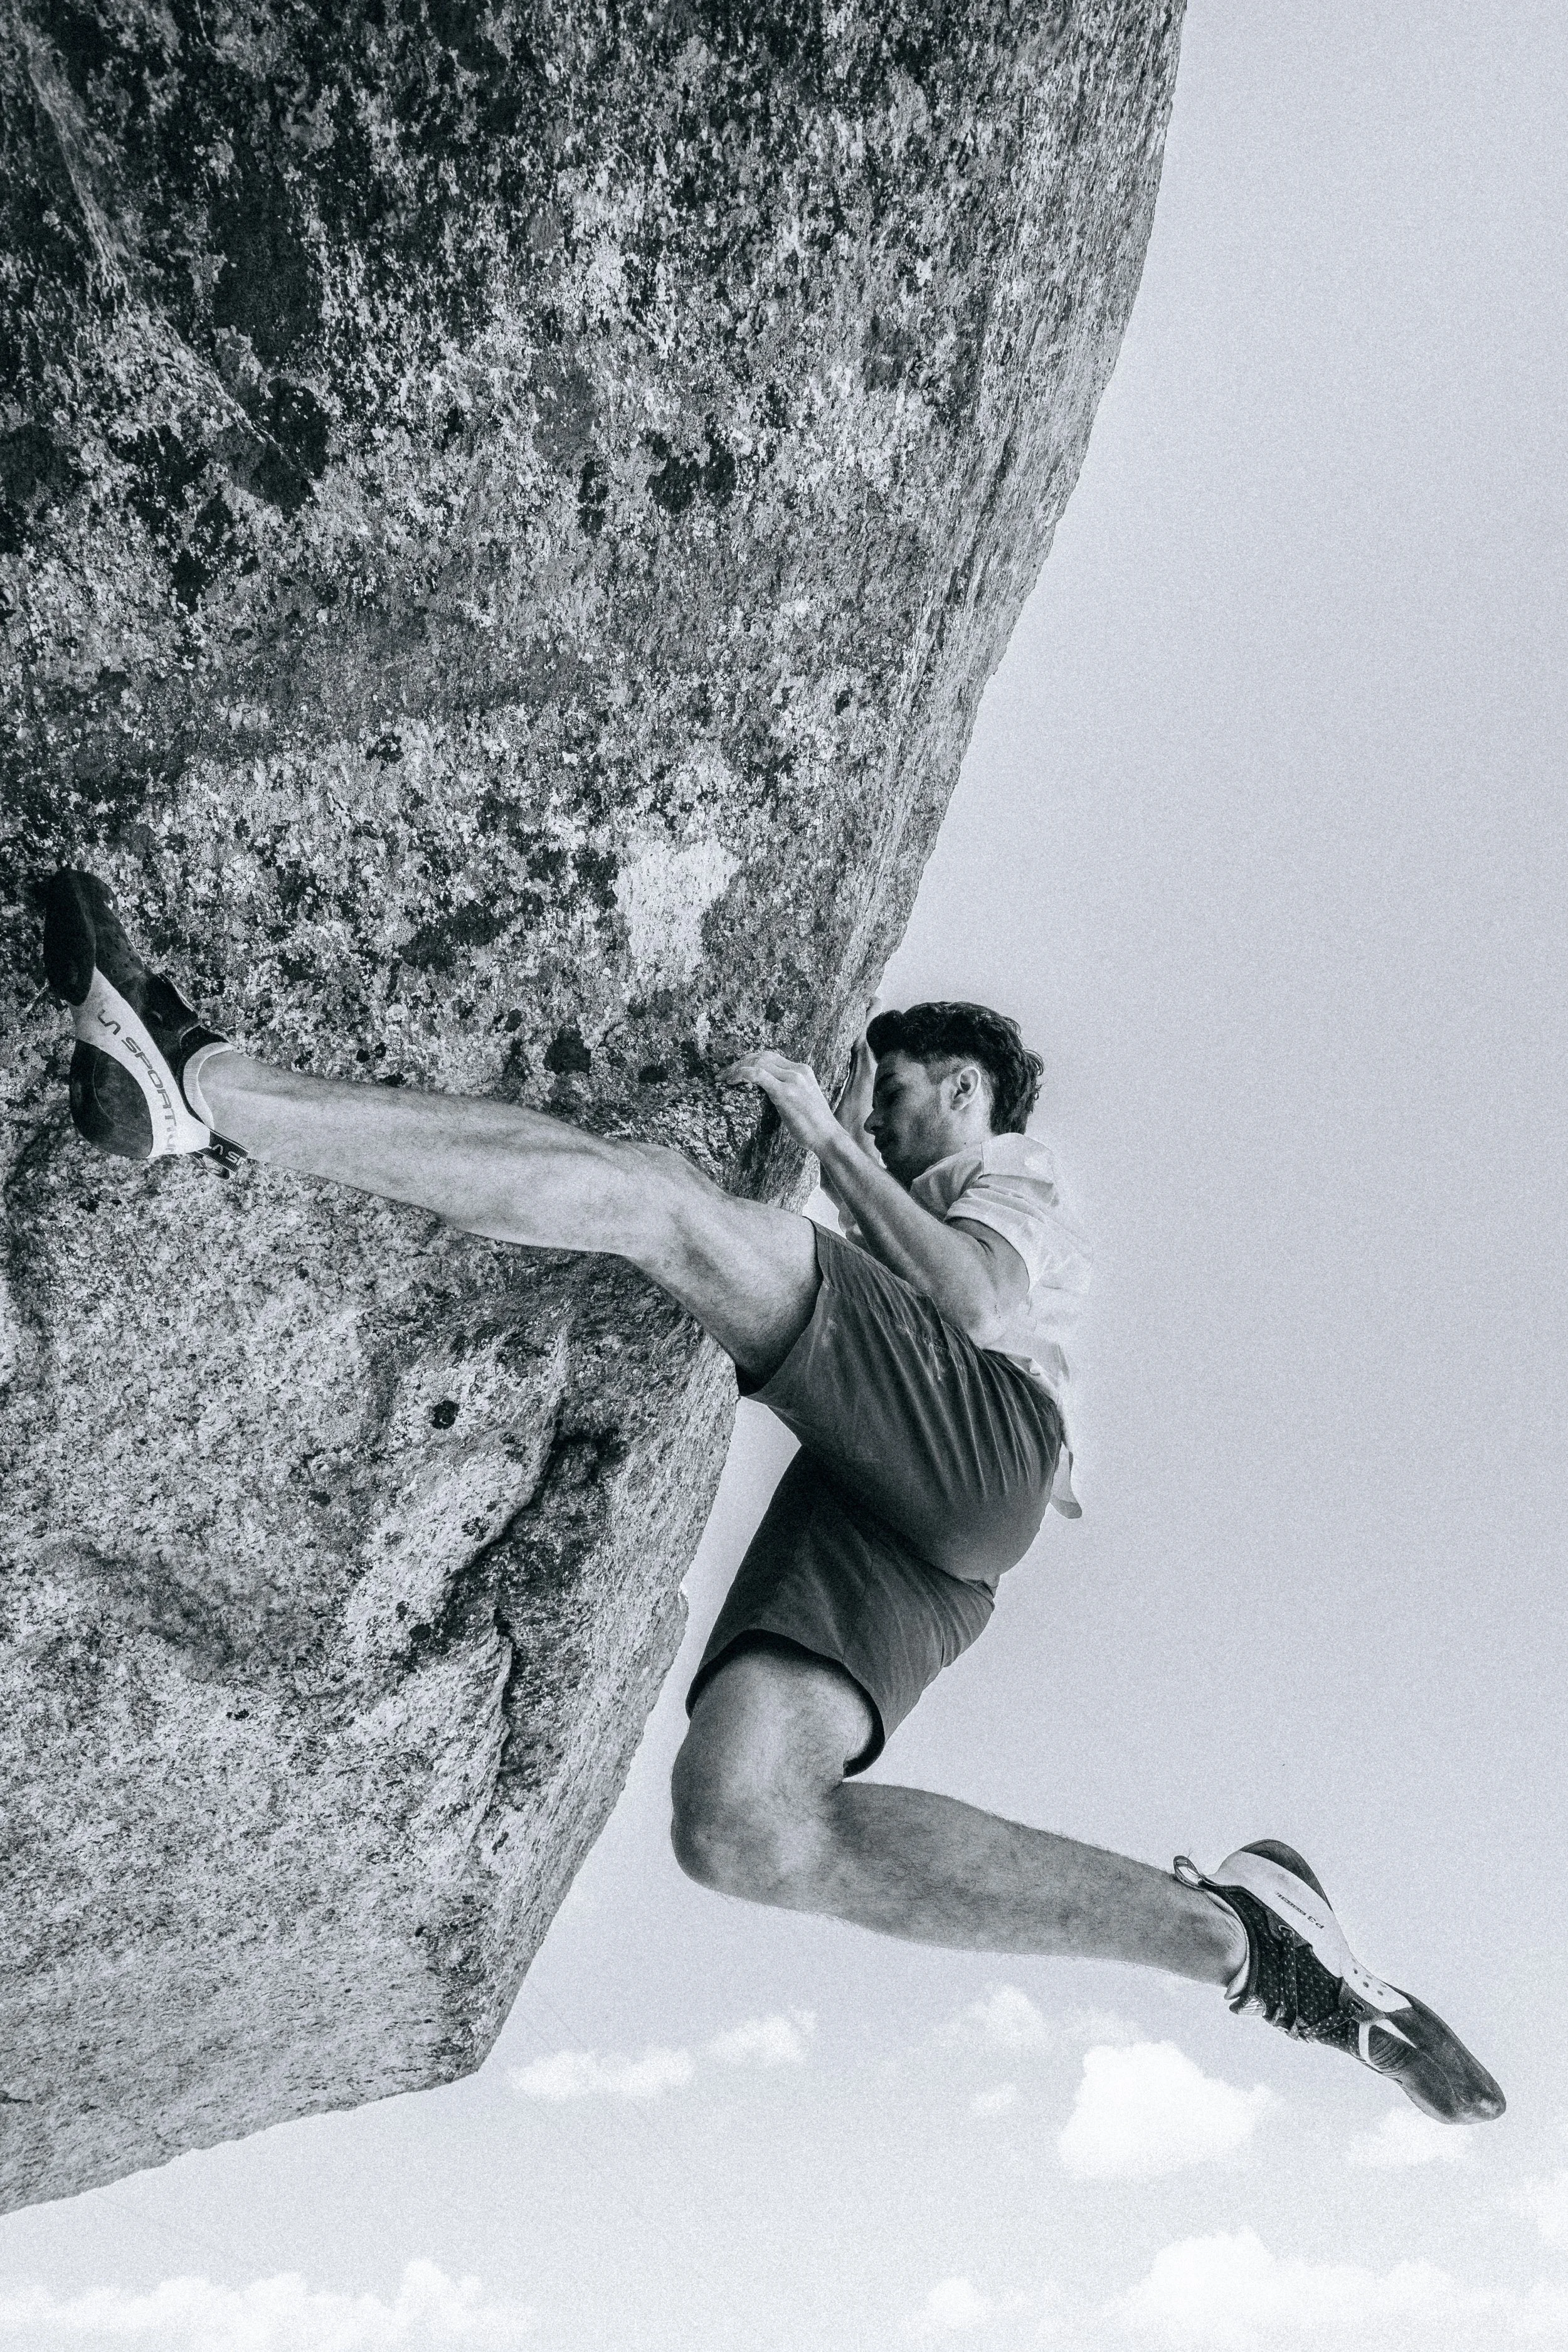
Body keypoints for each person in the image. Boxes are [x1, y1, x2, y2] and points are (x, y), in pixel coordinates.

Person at [40, 867, 1503, 2126]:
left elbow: (979, 1306)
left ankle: (206, 1087)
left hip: (984, 1446)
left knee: (661, 1201)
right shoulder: (900, 1207)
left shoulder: (1009, 1181)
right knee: (743, 1826)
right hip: (922, 1538)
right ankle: (1249, 1951)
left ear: (963, 1091)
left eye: (891, 1085)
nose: (870, 1097)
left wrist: (823, 1137)